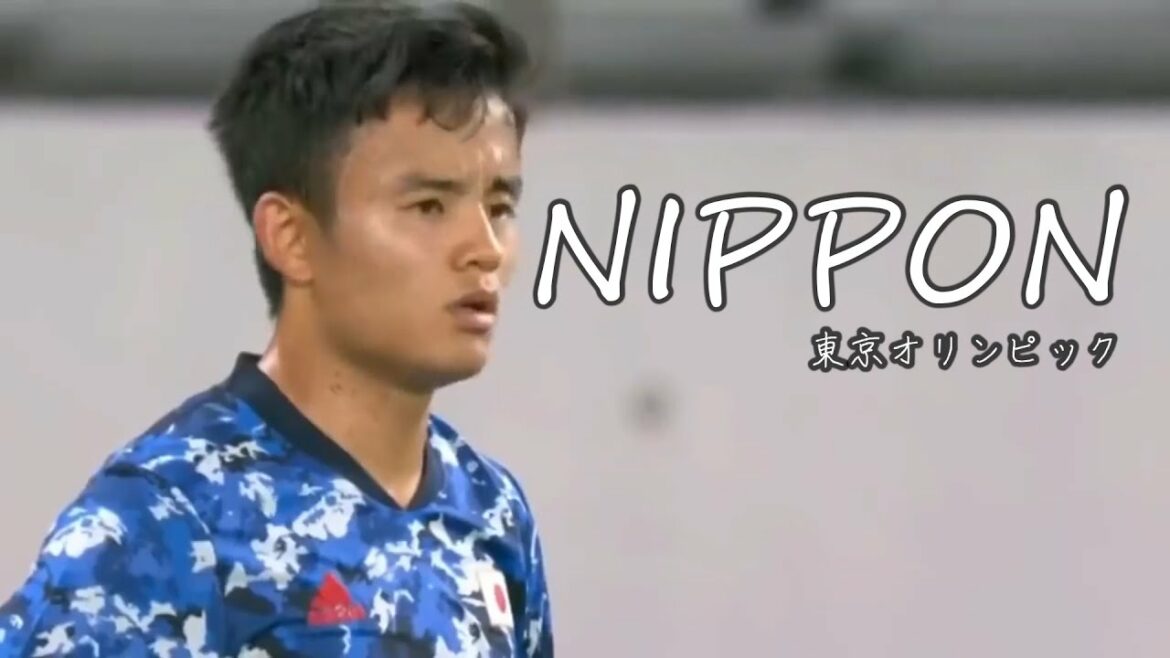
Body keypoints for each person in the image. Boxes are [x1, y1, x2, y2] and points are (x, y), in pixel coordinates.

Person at [0, 1, 553, 656]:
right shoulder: (169, 515)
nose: (485, 248)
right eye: (429, 205)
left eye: (500, 206)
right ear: (290, 237)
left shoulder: (493, 512)